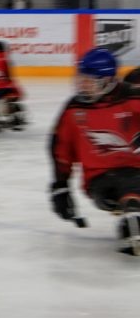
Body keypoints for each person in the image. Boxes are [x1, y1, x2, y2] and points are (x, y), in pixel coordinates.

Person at [50, 47, 140, 255]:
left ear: (107, 81)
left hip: (135, 168)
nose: (83, 85)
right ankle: (132, 216)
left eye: (89, 81)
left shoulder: (131, 97)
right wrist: (60, 187)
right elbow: (61, 149)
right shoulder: (73, 110)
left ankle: (133, 216)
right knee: (131, 187)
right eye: (81, 79)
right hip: (100, 178)